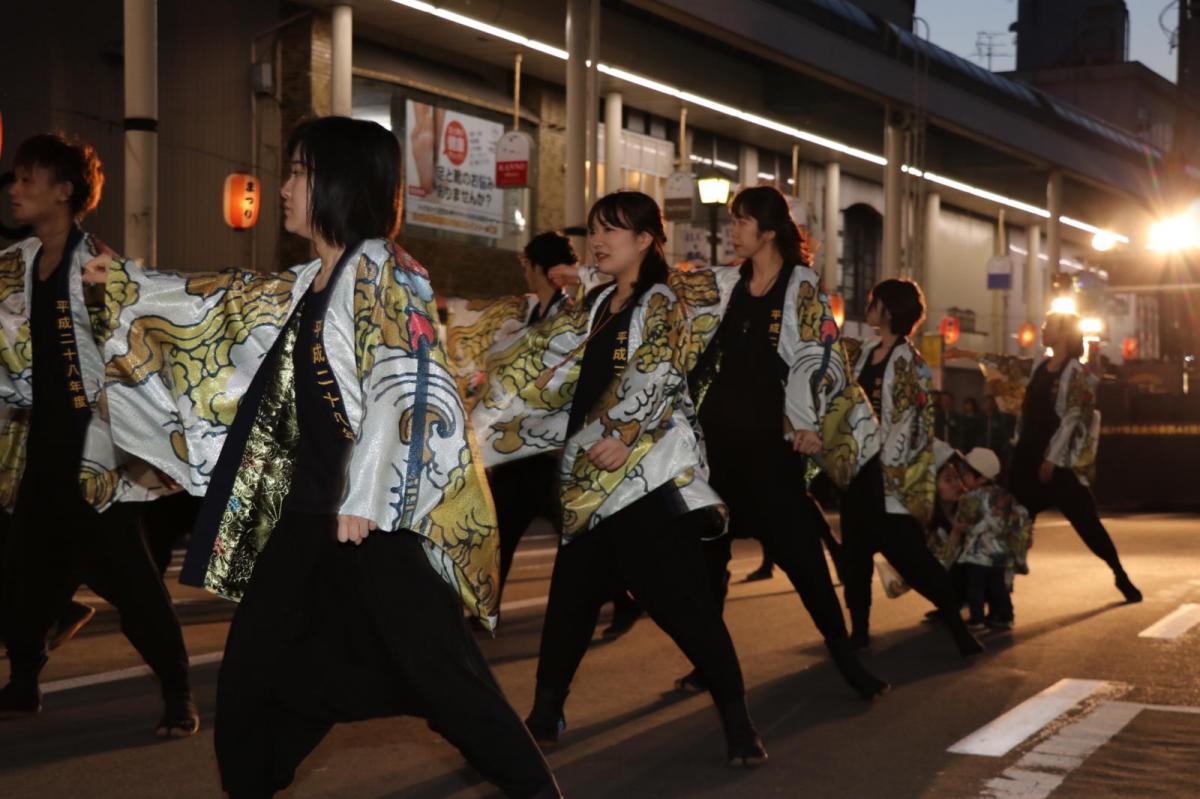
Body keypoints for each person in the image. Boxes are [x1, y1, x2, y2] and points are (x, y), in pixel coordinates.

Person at [102, 117, 560, 798]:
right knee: (254, 685)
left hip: (371, 530)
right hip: (304, 525)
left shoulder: (383, 268)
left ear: (339, 181)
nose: (282, 186)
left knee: (452, 687)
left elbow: (410, 381)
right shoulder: (303, 283)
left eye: (296, 171)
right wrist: (123, 284)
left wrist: (365, 494)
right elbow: (212, 308)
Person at [474, 190, 767, 767]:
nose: (599, 240)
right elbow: (551, 363)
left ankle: (739, 722)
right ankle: (545, 713)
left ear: (645, 241)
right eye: (594, 230)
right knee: (570, 602)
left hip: (641, 482)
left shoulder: (660, 302)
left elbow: (657, 369)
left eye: (612, 230)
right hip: (588, 480)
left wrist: (626, 432)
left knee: (686, 609)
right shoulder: (598, 299)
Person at [0, 133, 195, 734]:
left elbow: (156, 348)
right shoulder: (13, 266)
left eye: (28, 179)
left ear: (64, 192)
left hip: (94, 453)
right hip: (36, 447)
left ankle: (177, 696)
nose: (15, 189)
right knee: (19, 572)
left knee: (133, 585)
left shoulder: (104, 271)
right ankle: (25, 683)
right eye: (15, 178)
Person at [670, 186, 887, 700]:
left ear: (768, 231)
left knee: (804, 560)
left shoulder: (801, 284)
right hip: (719, 445)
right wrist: (586, 278)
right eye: (733, 221)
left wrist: (806, 421)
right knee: (707, 563)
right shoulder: (727, 282)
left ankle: (847, 661)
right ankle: (710, 665)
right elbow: (665, 290)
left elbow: (820, 354)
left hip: (771, 448)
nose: (734, 231)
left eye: (741, 222)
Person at [949, 313, 1142, 604]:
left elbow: (1072, 417)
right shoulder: (1040, 365)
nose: (1042, 329)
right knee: (1005, 524)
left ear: (1063, 334)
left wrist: (1051, 459)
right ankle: (996, 596)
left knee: (1088, 524)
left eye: (1047, 326)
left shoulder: (1074, 372)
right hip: (1026, 459)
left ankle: (1119, 573)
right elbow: (1009, 365)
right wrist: (969, 353)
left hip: (1059, 466)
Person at [841, 279, 983, 656]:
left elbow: (907, 426)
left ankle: (957, 625)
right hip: (859, 475)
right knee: (854, 558)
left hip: (891, 480)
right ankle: (858, 631)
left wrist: (885, 468)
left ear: (887, 309)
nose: (867, 305)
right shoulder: (863, 352)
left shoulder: (911, 363)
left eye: (873, 300)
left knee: (913, 561)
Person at [947, 448, 1031, 631]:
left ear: (981, 477)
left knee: (975, 588)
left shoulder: (971, 498)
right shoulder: (1005, 496)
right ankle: (1005, 616)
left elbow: (962, 523)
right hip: (1000, 552)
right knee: (998, 587)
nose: (963, 480)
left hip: (977, 553)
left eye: (966, 476)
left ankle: (977, 618)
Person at [981, 395, 1016, 478]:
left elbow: (1004, 435)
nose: (989, 405)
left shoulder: (1000, 418)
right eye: (987, 402)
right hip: (982, 450)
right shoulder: (979, 418)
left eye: (991, 403)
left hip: (996, 451)